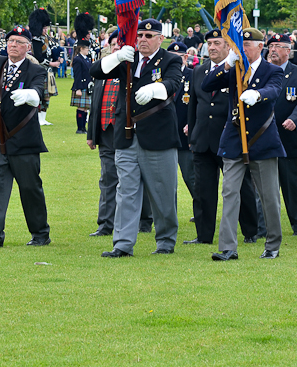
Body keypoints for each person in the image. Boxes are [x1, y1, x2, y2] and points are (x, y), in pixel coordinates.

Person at [90, 18, 182, 257]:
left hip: (158, 135)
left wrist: (154, 89)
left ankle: (165, 240)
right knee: (126, 192)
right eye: (140, 35)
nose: (143, 39)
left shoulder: (171, 59)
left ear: (161, 39)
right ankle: (122, 244)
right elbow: (96, 72)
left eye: (149, 36)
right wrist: (117, 57)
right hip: (127, 135)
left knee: (162, 192)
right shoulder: (128, 59)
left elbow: (173, 84)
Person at [202, 27, 285, 260]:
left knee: (269, 196)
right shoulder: (235, 69)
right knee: (229, 193)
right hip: (234, 140)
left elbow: (274, 90)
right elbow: (207, 85)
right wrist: (226, 65)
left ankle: (272, 245)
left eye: (248, 45)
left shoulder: (273, 71)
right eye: (240, 45)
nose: (243, 49)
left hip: (262, 140)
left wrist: (258, 95)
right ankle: (228, 247)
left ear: (261, 47)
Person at [0, 26, 51, 249]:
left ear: (27, 47)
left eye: (18, 41)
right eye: (10, 41)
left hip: (23, 139)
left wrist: (29, 95)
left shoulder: (35, 70)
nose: (12, 44)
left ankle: (40, 233)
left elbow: (39, 93)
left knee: (30, 188)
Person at [186, 29, 259, 245]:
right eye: (209, 43)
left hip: (229, 138)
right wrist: (193, 134)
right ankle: (204, 235)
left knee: (240, 187)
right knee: (203, 191)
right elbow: (194, 106)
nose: (212, 47)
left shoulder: (237, 70)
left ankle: (250, 232)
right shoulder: (198, 71)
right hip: (203, 139)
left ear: (229, 47)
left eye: (217, 43)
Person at [266, 33, 297, 236]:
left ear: (288, 50)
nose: (273, 50)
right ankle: (262, 226)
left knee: (291, 183)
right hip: (262, 136)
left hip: (288, 136)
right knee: (263, 185)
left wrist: (295, 118)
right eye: (271, 46)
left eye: (278, 46)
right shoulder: (260, 72)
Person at [86, 32, 120, 236]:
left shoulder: (135, 69)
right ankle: (106, 224)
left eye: (120, 44)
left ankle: (145, 220)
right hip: (106, 131)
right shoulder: (102, 69)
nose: (116, 48)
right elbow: (95, 104)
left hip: (130, 133)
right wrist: (92, 134)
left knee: (137, 178)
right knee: (108, 178)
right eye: (113, 44)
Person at [167, 41, 196, 219]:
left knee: (191, 177)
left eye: (179, 58)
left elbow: (199, 103)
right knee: (166, 181)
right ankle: (168, 214)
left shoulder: (194, 75)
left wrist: (193, 124)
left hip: (186, 135)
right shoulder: (161, 76)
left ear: (186, 57)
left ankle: (201, 210)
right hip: (166, 135)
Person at [70, 39, 92, 134]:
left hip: (87, 86)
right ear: (81, 48)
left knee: (86, 108)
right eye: (87, 48)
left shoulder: (86, 58)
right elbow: (77, 75)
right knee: (81, 108)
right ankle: (80, 128)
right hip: (81, 86)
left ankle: (84, 128)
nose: (88, 50)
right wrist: (78, 88)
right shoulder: (77, 59)